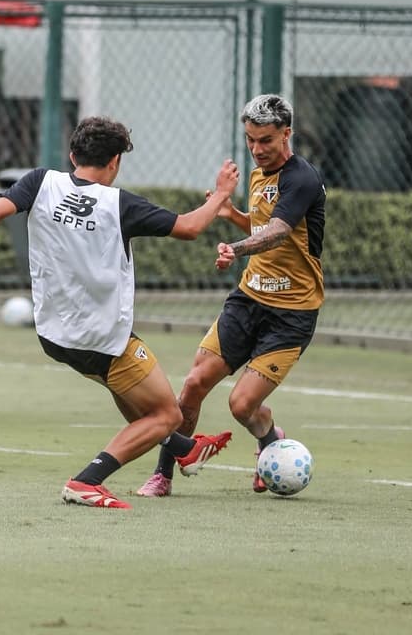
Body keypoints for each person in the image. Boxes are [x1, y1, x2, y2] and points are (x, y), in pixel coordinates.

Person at [0, 116, 239, 509]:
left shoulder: (40, 182)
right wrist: (220, 195)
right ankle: (87, 480)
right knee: (165, 414)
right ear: (115, 162)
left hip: (54, 335)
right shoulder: (119, 204)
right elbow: (190, 227)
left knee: (128, 389)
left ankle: (184, 450)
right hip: (103, 338)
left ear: (73, 155)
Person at [137, 93, 325, 497]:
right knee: (193, 384)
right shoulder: (258, 175)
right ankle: (164, 474)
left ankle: (269, 437)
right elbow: (260, 224)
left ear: (287, 134)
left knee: (242, 406)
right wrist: (233, 217)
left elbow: (277, 232)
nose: (257, 150)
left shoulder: (302, 179)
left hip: (291, 315)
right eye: (250, 140)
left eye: (266, 141)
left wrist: (235, 249)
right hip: (248, 300)